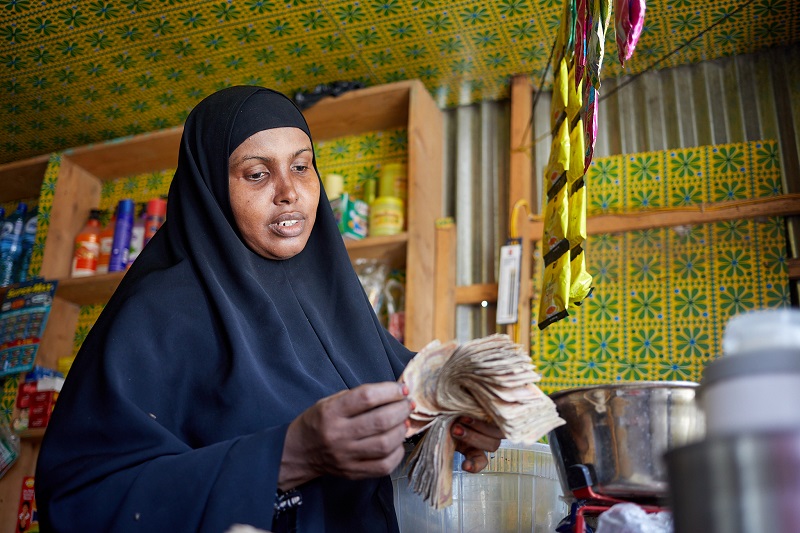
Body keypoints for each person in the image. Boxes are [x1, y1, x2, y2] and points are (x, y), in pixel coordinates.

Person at [35, 86, 503, 532]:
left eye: (301, 166)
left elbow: (394, 410)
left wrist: (450, 424)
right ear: (211, 189)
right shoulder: (158, 313)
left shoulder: (332, 299)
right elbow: (81, 501)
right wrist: (287, 455)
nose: (288, 191)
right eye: (257, 174)